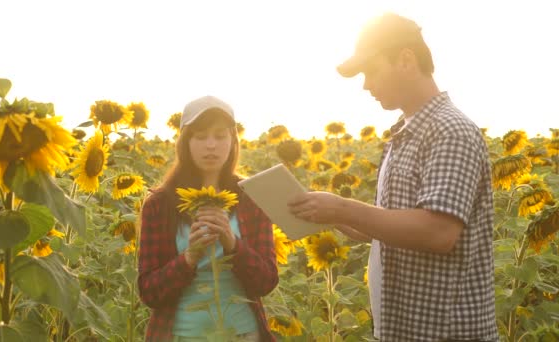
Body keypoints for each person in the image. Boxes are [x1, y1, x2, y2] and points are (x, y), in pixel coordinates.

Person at [288, 12, 499, 342]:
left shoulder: (450, 131)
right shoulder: (405, 133)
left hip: (445, 334)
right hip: (403, 330)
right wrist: (329, 216)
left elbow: (438, 231)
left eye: (371, 71)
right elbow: (392, 224)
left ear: (406, 59)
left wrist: (341, 208)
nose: (366, 85)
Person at [138, 95, 278, 341]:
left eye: (220, 135)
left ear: (233, 141)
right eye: (201, 136)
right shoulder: (159, 205)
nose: (211, 145)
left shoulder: (252, 198)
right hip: (182, 335)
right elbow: (149, 293)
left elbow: (266, 282)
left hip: (243, 335)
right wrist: (189, 257)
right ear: (185, 142)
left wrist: (232, 244)